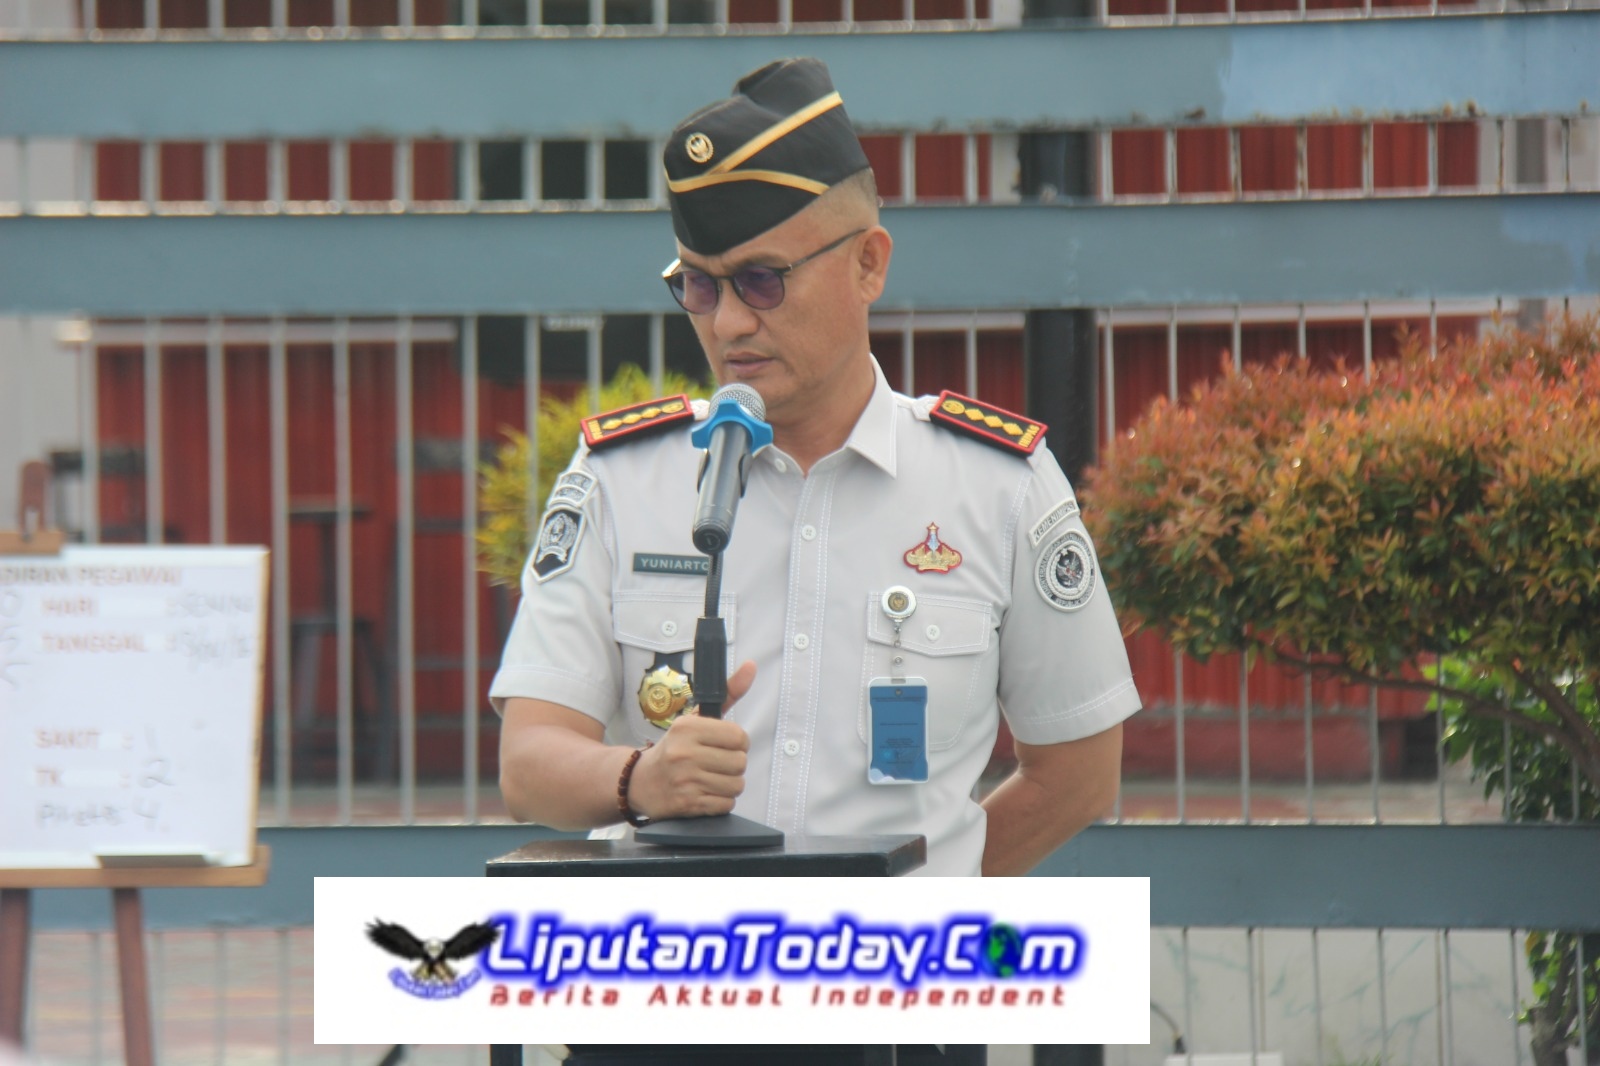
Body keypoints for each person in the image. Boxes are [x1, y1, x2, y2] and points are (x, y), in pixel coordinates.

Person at [490, 56, 1140, 877]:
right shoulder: (622, 479)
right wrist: (640, 779)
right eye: (699, 286)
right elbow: (529, 763)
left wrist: (919, 900)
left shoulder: (998, 486)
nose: (729, 323)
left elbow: (1078, 773)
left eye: (762, 281)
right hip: (679, 952)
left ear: (869, 264)